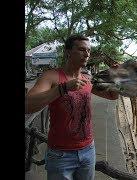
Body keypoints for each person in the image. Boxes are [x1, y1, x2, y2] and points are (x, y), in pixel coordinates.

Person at [25, 34, 119, 180]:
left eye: (88, 50)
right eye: (82, 49)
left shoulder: (87, 79)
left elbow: (113, 95)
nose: (87, 54)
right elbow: (28, 105)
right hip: (60, 154)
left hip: (88, 150)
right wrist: (63, 88)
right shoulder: (51, 76)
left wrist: (116, 76)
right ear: (67, 52)